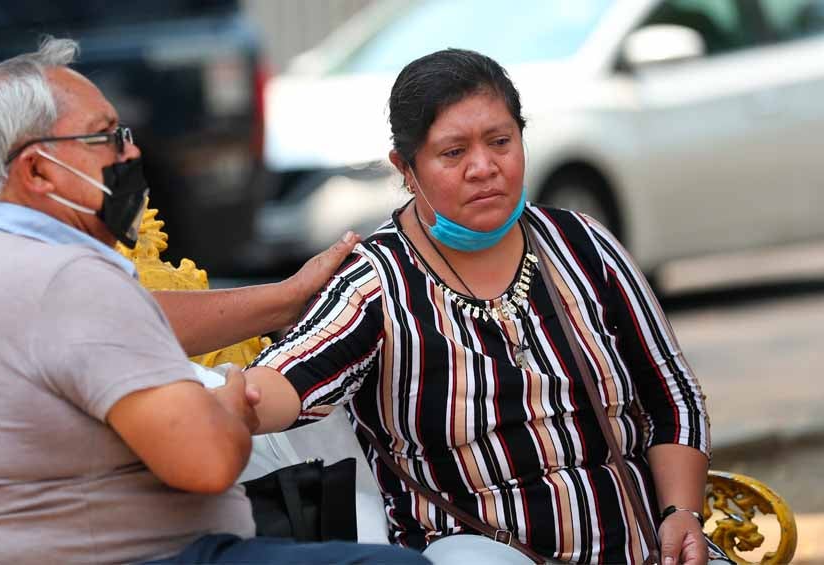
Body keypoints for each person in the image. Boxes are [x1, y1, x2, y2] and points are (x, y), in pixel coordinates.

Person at [0, 36, 430, 565]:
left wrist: (286, 298)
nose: (131, 152)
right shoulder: (64, 279)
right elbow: (206, 460)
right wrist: (231, 406)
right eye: (106, 136)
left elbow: (137, 321)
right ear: (39, 171)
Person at [245, 49, 730, 565]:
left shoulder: (583, 245)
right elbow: (280, 385)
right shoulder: (374, 283)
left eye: (501, 142)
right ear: (405, 168)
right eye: (453, 153)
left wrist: (681, 513)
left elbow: (672, 394)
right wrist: (213, 405)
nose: (484, 167)